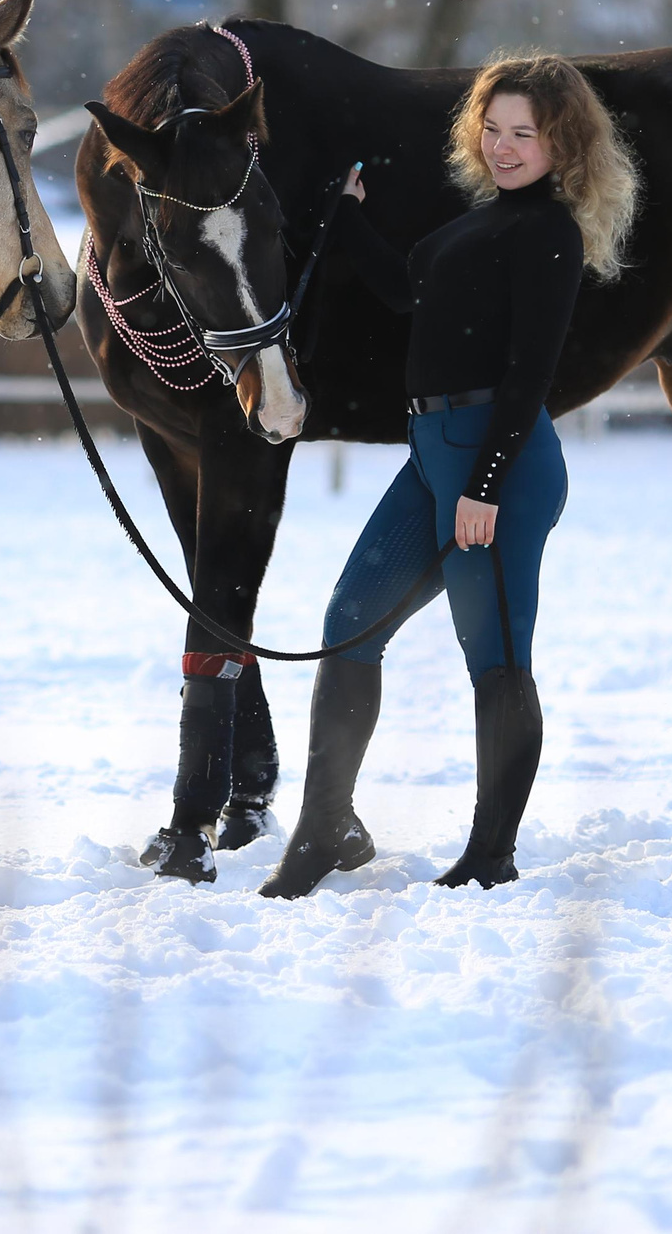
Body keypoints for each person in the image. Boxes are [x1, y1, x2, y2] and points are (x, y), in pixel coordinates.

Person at [262, 54, 638, 899]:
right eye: (492, 130)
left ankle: (490, 853)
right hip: (434, 452)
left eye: (524, 135)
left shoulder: (547, 232)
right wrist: (347, 215)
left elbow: (531, 372)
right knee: (350, 620)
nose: (503, 149)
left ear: (561, 142)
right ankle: (325, 827)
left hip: (496, 462)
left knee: (496, 658)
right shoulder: (477, 223)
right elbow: (402, 288)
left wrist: (487, 484)